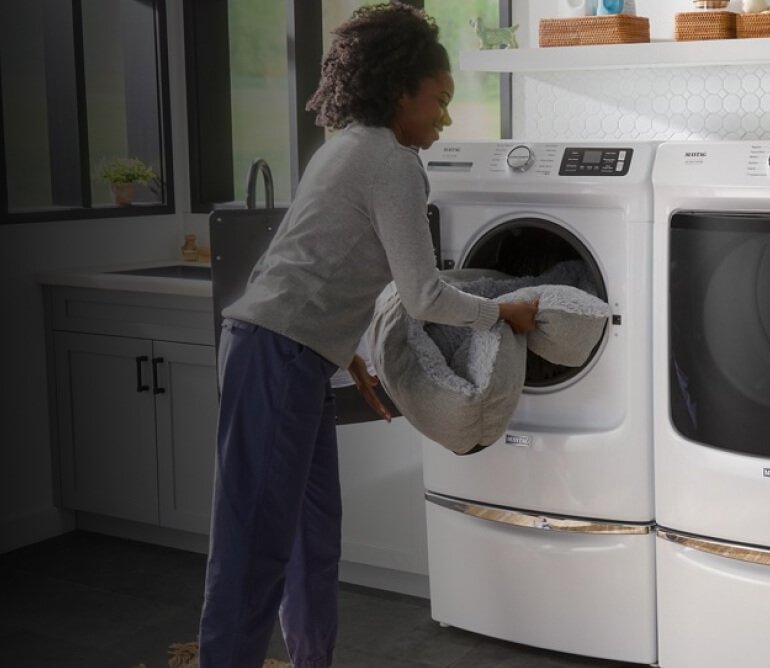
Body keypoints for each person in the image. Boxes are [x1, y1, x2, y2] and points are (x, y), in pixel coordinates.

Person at [198, 5, 536, 667]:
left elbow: (303, 260)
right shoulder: (392, 161)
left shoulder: (345, 144)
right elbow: (425, 295)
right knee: (255, 549)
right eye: (439, 100)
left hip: (288, 353)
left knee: (312, 538)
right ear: (401, 91)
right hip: (275, 356)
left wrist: (342, 348)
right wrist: (503, 314)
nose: (444, 118)